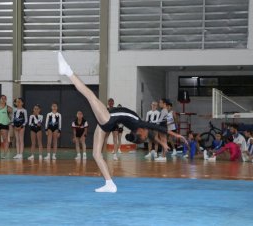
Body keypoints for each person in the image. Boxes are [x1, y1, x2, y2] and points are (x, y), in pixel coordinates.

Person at [58, 52, 186, 192]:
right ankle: (109, 184)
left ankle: (67, 71)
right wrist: (163, 143)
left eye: (144, 135)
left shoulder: (139, 124)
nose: (147, 133)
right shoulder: (139, 128)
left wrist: (175, 135)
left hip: (108, 119)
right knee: (96, 154)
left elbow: (157, 128)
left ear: (140, 133)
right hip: (105, 125)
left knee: (91, 96)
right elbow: (152, 135)